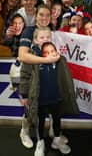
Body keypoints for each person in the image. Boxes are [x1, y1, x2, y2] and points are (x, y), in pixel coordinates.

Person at [19, 28, 79, 156]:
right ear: (35, 40)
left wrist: (67, 92)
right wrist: (24, 95)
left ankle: (56, 140)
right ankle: (40, 143)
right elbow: (24, 76)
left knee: (57, 120)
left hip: (55, 98)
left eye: (48, 37)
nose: (45, 40)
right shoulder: (31, 57)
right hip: (40, 99)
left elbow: (65, 78)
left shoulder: (59, 58)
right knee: (39, 122)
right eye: (41, 37)